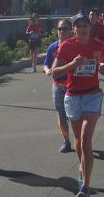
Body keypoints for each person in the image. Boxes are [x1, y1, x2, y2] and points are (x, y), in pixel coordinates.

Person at [52, 13, 104, 197]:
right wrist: (72, 64)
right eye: (79, 26)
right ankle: (81, 166)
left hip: (92, 95)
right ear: (74, 30)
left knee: (86, 140)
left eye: (85, 25)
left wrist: (103, 66)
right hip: (73, 97)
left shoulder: (98, 45)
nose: (83, 28)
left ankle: (85, 185)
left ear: (90, 28)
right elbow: (54, 72)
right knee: (78, 141)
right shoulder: (66, 46)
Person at [43, 19, 73, 153]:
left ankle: (80, 138)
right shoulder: (53, 47)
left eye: (65, 29)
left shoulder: (75, 46)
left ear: (71, 31)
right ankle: (66, 141)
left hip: (72, 86)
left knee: (74, 115)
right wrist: (47, 70)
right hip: (57, 85)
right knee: (61, 115)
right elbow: (46, 63)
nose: (61, 32)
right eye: (59, 29)